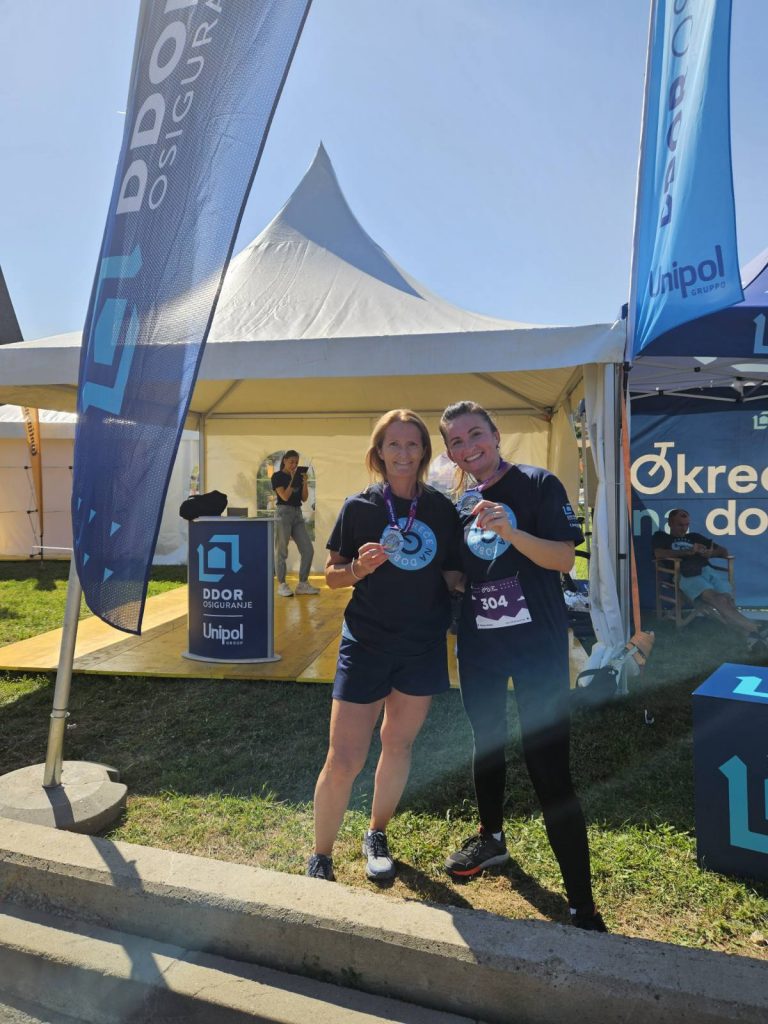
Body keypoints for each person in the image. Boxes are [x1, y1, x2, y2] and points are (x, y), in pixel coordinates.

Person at [439, 399, 606, 932]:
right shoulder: (460, 503)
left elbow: (563, 558)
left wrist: (512, 533)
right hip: (481, 646)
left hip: (536, 646)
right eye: (456, 442)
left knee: (547, 762)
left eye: (475, 434)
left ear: (495, 435)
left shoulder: (538, 483)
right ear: (450, 454)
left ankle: (580, 902)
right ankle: (491, 839)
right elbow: (459, 573)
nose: (468, 447)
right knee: (486, 741)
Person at [307, 410, 463, 883]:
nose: (403, 453)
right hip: (367, 643)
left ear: (424, 451)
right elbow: (332, 576)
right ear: (378, 452)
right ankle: (321, 855)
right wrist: (358, 569)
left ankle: (376, 833)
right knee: (344, 758)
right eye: (393, 444)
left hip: (422, 646)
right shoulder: (360, 507)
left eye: (412, 444)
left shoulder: (441, 509)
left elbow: (453, 572)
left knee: (398, 744)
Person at [653, 509, 767, 651]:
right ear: (670, 523)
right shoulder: (661, 537)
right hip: (685, 573)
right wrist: (688, 552)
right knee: (718, 599)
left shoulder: (694, 537)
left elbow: (724, 551)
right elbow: (658, 553)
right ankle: (756, 628)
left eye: (686, 525)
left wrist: (710, 553)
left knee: (726, 601)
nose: (684, 528)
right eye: (680, 525)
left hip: (707, 570)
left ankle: (751, 636)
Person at [271, 450, 319, 597]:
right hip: (283, 513)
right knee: (282, 550)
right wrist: (293, 481)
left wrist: (304, 483)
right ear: (284, 461)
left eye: (296, 463)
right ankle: (282, 584)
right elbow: (284, 497)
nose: (294, 465)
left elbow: (304, 498)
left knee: (308, 550)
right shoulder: (277, 476)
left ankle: (302, 584)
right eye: (291, 462)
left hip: (297, 514)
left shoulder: (297, 477)